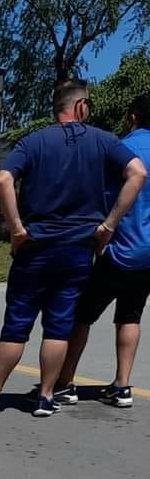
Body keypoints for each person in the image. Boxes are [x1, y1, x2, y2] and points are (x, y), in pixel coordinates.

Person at [0, 80, 146, 419]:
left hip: (35, 246)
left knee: (17, 324)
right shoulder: (105, 142)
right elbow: (137, 173)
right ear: (81, 108)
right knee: (59, 325)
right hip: (78, 249)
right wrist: (108, 225)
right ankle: (46, 396)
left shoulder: (33, 142)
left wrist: (16, 229)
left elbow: (3, 180)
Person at [54, 92, 150, 410]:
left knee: (82, 315)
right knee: (130, 316)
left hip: (117, 248)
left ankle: (64, 382)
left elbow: (99, 194)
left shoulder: (121, 150)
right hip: (147, 252)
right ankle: (122, 386)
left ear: (132, 117)